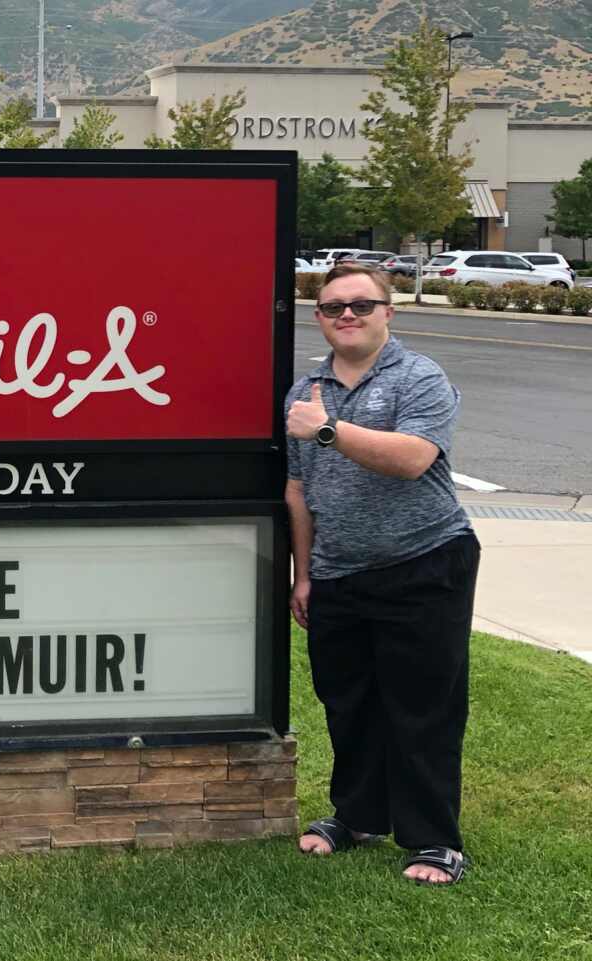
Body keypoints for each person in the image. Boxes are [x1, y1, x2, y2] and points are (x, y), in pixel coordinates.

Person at [284, 262, 479, 886]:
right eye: (334, 305)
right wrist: (305, 573)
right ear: (318, 317)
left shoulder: (419, 377)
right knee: (348, 702)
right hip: (338, 571)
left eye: (362, 305)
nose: (348, 315)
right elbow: (296, 489)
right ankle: (358, 815)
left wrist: (329, 432)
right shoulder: (303, 394)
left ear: (387, 313)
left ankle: (433, 841)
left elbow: (414, 459)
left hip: (424, 562)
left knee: (423, 706)